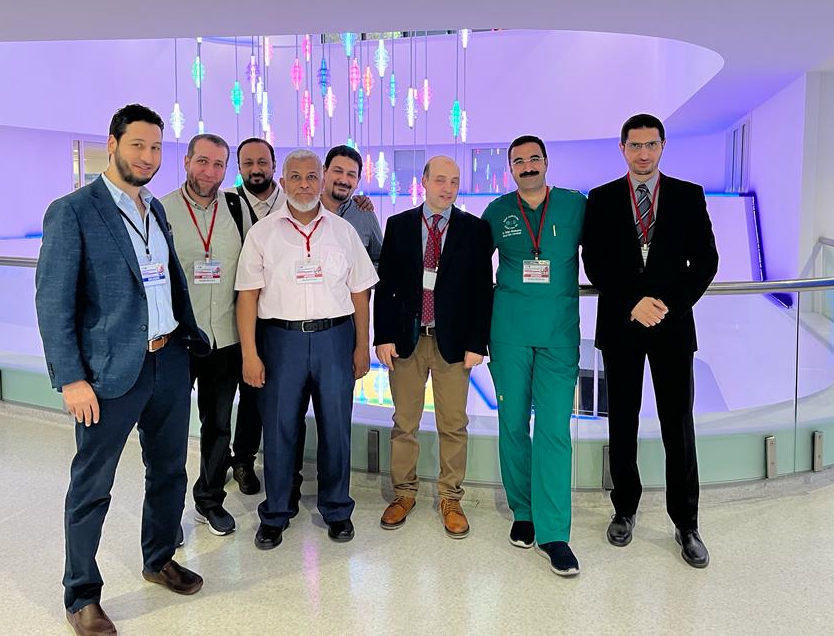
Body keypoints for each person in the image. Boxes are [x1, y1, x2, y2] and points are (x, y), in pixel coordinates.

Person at [36, 104, 210, 636]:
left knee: (169, 470)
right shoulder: (73, 211)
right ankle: (81, 595)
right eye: (138, 145)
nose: (148, 156)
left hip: (168, 360)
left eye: (156, 147)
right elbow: (53, 303)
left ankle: (159, 559)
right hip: (108, 372)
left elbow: (163, 279)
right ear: (112, 144)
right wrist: (71, 378)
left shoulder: (154, 209)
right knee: (93, 484)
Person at [581, 113, 718, 569]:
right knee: (622, 421)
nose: (643, 153)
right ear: (622, 148)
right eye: (635, 145)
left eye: (651, 145)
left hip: (671, 327)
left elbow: (705, 261)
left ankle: (687, 523)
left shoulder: (687, 195)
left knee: (678, 425)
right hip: (622, 326)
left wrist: (665, 306)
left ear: (662, 146)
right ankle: (624, 509)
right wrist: (632, 303)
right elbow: (595, 263)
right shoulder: (601, 198)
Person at [234, 149, 377, 550]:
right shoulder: (263, 233)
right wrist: (250, 354)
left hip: (335, 339)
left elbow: (360, 293)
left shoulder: (343, 231)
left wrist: (361, 346)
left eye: (311, 176)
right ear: (283, 182)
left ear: (322, 179)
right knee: (280, 428)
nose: (303, 184)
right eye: (295, 177)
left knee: (336, 428)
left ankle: (337, 508)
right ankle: (276, 512)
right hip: (281, 341)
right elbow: (248, 297)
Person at [481, 134, 586, 577]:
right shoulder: (497, 211)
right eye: (519, 160)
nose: (527, 166)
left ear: (546, 162)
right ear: (510, 168)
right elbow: (471, 268)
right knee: (512, 424)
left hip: (558, 335)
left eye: (534, 158)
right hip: (509, 333)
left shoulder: (575, 205)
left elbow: (608, 254)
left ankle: (554, 532)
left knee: (554, 430)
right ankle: (523, 511)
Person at [373, 155, 493, 538]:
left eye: (454, 182)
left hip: (452, 343)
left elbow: (481, 291)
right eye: (440, 180)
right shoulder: (399, 225)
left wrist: (477, 343)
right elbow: (386, 287)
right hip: (407, 340)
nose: (448, 188)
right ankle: (404, 493)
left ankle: (450, 498)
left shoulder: (475, 229)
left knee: (454, 424)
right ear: (424, 181)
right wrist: (383, 336)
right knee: (404, 423)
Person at [161, 133, 258, 540]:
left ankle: (210, 499)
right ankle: (166, 515)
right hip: (177, 341)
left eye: (219, 164)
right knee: (168, 430)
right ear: (186, 162)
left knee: (218, 426)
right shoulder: (160, 210)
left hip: (225, 338)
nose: (210, 171)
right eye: (202, 161)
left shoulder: (237, 208)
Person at [320, 144, 383, 269]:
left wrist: (361, 274)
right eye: (338, 171)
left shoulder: (365, 214)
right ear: (324, 172)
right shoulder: (306, 211)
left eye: (351, 174)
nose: (344, 180)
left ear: (358, 180)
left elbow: (382, 262)